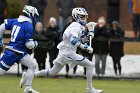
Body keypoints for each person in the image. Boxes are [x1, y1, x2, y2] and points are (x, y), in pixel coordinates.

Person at [33, 7, 103, 93]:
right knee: (90, 65)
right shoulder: (75, 26)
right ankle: (90, 89)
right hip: (68, 53)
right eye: (81, 16)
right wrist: (85, 47)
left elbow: (81, 40)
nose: (84, 18)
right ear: (75, 16)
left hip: (65, 52)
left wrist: (89, 35)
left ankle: (30, 75)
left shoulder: (78, 26)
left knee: (52, 72)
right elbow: (73, 41)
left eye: (85, 16)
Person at [0, 5, 39, 93]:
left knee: (32, 65)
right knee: (0, 72)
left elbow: (2, 27)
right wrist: (36, 44)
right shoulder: (28, 25)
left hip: (19, 52)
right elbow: (29, 45)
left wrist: (0, 37)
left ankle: (28, 88)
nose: (35, 18)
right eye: (34, 15)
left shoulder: (15, 20)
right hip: (14, 52)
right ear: (30, 14)